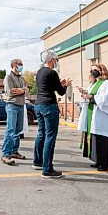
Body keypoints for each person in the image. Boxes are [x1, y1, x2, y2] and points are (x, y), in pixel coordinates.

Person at [33, 51, 71, 179]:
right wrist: (65, 85)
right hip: (49, 105)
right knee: (50, 137)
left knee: (41, 133)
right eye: (56, 59)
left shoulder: (39, 72)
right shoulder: (52, 73)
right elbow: (60, 92)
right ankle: (47, 169)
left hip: (38, 105)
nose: (56, 62)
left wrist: (59, 83)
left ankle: (37, 161)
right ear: (51, 60)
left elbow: (47, 86)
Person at [78, 63, 108, 172]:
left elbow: (106, 100)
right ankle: (98, 160)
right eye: (91, 70)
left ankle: (105, 163)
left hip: (103, 118)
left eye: (95, 70)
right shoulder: (93, 84)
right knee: (95, 140)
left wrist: (91, 96)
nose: (93, 72)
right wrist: (84, 93)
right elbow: (91, 96)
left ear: (102, 71)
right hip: (94, 117)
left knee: (103, 141)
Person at [1, 59, 28, 165]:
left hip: (21, 105)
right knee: (10, 130)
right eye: (19, 64)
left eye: (22, 64)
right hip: (12, 105)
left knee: (18, 130)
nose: (21, 65)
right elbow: (10, 92)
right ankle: (5, 154)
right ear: (14, 65)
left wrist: (21, 90)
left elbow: (27, 92)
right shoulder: (8, 77)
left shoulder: (22, 78)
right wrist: (23, 90)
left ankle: (14, 151)